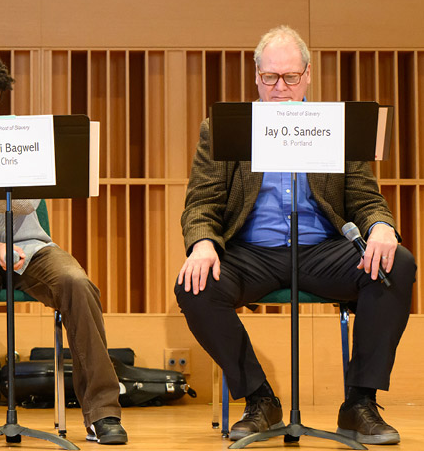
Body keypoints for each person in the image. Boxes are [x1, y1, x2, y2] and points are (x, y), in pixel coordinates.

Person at [176, 25, 417, 445]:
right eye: (270, 77)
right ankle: (259, 399)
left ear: (307, 76)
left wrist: (381, 227)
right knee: (194, 286)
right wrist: (201, 243)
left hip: (323, 250)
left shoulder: (333, 126)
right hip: (252, 251)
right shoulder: (224, 128)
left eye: (290, 77)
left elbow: (364, 197)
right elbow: (202, 203)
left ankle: (359, 404)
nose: (280, 88)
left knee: (398, 262)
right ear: (256, 76)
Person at [0, 44, 127, 445]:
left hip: (29, 247)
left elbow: (31, 203)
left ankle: (101, 413)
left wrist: (7, 161)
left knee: (77, 283)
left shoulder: (21, 134)